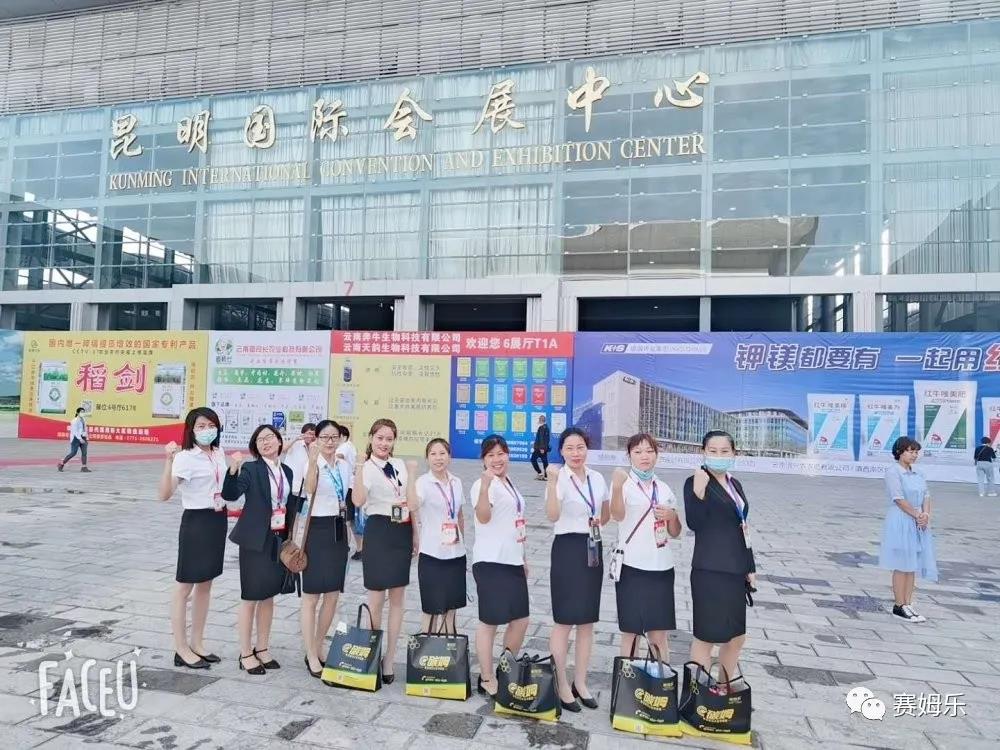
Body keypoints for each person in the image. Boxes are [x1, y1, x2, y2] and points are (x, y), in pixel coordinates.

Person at [545, 427, 609, 712]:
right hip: (567, 549)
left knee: (586, 621)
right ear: (561, 451)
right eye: (569, 448)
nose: (575, 453)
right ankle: (561, 684)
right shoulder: (559, 477)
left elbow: (605, 515)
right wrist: (551, 482)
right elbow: (552, 515)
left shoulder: (597, 478)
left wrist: (597, 519)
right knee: (564, 620)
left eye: (580, 447)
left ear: (587, 449)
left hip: (592, 547)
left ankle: (580, 682)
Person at [158, 407, 228, 669]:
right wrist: (168, 461)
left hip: (217, 520)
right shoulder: (185, 458)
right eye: (201, 426)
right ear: (191, 430)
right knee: (184, 586)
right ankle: (181, 648)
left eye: (211, 425)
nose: (207, 430)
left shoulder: (218, 453)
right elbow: (164, 495)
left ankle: (198, 643)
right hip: (196, 523)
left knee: (206, 584)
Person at [222, 424, 293, 676]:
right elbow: (231, 494)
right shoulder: (251, 469)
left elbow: (290, 503)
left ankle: (262, 648)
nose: (265, 442)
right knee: (250, 596)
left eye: (269, 437)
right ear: (255, 446)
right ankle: (245, 653)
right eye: (260, 439)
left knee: (268, 595)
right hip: (255, 540)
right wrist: (233, 470)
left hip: (278, 539)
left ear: (279, 441)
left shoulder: (287, 471)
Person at [684, 430, 756, 682]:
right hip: (710, 571)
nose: (718, 455)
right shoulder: (696, 481)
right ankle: (697, 694)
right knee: (705, 638)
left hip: (735, 571)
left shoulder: (735, 484)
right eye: (712, 451)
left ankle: (724, 687)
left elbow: (742, 526)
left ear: (734, 453)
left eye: (724, 451)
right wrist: (699, 492)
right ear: (703, 452)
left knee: (736, 637)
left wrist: (749, 565)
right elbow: (694, 523)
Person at [351, 418, 417, 684]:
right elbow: (358, 500)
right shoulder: (366, 467)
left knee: (398, 598)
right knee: (376, 598)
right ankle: (372, 655)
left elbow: (411, 503)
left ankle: (389, 658)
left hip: (402, 530)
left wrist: (416, 535)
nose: (384, 443)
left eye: (389, 439)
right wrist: (358, 466)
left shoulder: (400, 464)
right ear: (371, 438)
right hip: (378, 531)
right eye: (379, 438)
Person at [610, 432, 681, 662]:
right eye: (638, 451)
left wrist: (672, 516)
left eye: (650, 451)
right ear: (629, 455)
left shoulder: (664, 488)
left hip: (661, 568)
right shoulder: (624, 484)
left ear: (657, 455)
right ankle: (628, 678)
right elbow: (617, 515)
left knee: (658, 633)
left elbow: (675, 531)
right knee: (631, 632)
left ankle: (660, 679)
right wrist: (617, 487)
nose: (645, 456)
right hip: (632, 566)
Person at [470, 434, 530, 698]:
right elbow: (483, 517)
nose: (497, 459)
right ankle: (486, 677)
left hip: (512, 559)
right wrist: (485, 487)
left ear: (508, 455)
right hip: (491, 561)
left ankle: (505, 668)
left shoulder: (509, 483)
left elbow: (516, 522)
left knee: (521, 619)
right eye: (491, 455)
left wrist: (523, 557)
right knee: (490, 621)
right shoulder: (483, 484)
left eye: (501, 453)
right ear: (484, 459)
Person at [300, 419, 352, 677]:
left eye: (334, 437)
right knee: (311, 596)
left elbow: (348, 498)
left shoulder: (343, 465)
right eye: (324, 437)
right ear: (317, 439)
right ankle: (310, 653)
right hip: (317, 530)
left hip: (338, 529)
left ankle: (319, 645)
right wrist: (312, 462)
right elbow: (309, 490)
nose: (330, 442)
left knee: (332, 594)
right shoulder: (312, 464)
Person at [879, 436, 938, 622]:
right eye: (910, 451)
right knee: (901, 563)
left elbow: (926, 495)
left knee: (912, 564)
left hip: (918, 520)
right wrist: (916, 514)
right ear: (900, 452)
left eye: (916, 452)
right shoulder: (893, 472)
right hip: (901, 519)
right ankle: (899, 605)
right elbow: (898, 498)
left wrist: (925, 514)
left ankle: (908, 602)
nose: (914, 455)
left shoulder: (918, 472)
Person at [414, 438, 467, 633]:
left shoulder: (456, 482)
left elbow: (459, 515)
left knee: (452, 607)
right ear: (427, 458)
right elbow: (412, 505)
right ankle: (427, 647)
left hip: (456, 554)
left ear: (449, 456)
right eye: (433, 454)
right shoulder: (422, 483)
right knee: (431, 607)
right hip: (432, 553)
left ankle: (450, 645)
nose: (438, 458)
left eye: (442, 453)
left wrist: (463, 544)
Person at [337, 423, 363, 560]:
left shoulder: (345, 446)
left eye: (336, 436)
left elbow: (339, 456)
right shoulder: (350, 446)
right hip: (349, 486)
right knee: (351, 520)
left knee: (347, 520)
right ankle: (359, 548)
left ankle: (346, 547)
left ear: (343, 436)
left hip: (348, 487)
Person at [284, 423, 317, 499]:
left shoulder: (314, 447)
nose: (311, 436)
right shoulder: (295, 443)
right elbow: (283, 449)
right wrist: (296, 439)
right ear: (303, 433)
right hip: (293, 487)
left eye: (314, 434)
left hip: (306, 488)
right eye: (309, 433)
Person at [58, 407, 91, 473]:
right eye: (81, 412)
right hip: (76, 439)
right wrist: (80, 438)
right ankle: (62, 464)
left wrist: (86, 438)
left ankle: (84, 467)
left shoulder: (83, 419)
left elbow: (85, 429)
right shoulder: (74, 421)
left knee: (84, 453)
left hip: (83, 437)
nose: (82, 413)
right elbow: (75, 431)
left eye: (83, 412)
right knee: (73, 453)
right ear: (77, 413)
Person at [531, 416, 551, 480]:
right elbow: (547, 440)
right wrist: (543, 448)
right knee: (545, 461)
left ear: (541, 420)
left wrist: (542, 448)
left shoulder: (541, 428)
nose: (538, 421)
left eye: (539, 419)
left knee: (533, 459)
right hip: (543, 448)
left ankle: (540, 473)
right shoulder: (546, 427)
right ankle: (546, 476)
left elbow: (541, 439)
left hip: (539, 448)